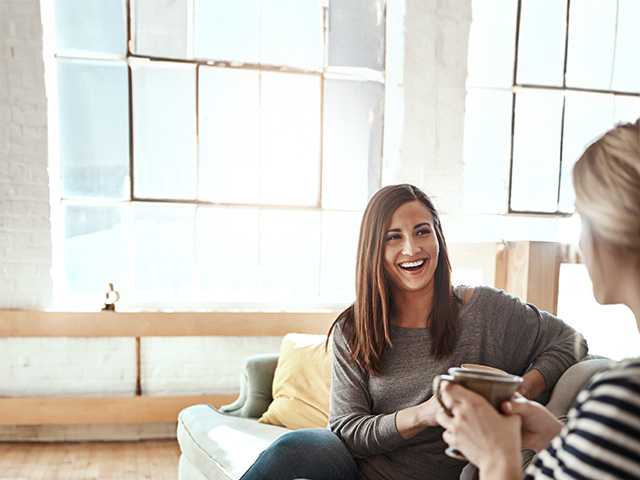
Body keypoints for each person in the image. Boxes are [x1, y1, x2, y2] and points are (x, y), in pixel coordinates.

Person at [241, 184, 587, 480]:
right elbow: (347, 430)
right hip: (364, 473)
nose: (412, 249)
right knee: (296, 447)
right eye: (394, 238)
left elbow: (570, 343)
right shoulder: (354, 327)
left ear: (438, 236)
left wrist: (520, 391)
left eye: (422, 231)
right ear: (375, 250)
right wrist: (425, 413)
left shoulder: (485, 310)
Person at [435, 119, 640, 479]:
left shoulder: (623, 398)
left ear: (615, 229)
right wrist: (556, 437)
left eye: (582, 218)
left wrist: (497, 459)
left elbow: (567, 342)